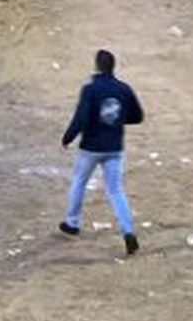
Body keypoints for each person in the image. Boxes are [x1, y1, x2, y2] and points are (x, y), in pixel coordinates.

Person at [59, 49, 144, 255]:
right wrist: (117, 121)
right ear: (113, 67)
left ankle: (72, 222)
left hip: (91, 146)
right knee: (116, 190)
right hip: (114, 147)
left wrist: (68, 137)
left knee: (79, 181)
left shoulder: (90, 89)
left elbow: (81, 118)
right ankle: (128, 231)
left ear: (97, 66)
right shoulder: (124, 89)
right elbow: (138, 116)